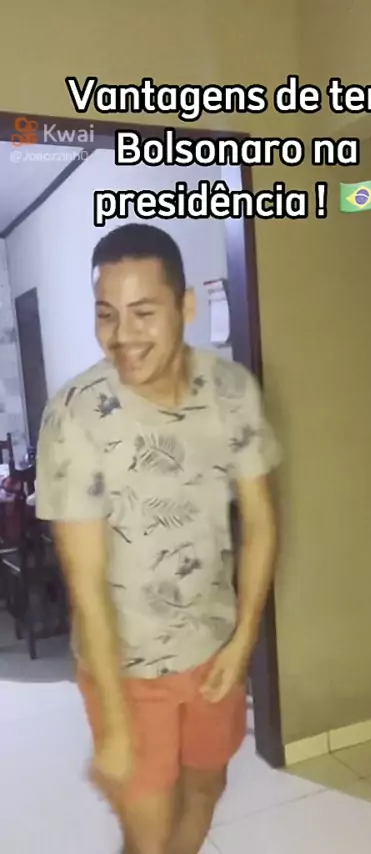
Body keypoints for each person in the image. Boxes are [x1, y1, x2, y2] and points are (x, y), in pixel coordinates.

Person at [35, 223, 280, 854]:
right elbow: (85, 583)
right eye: (106, 314)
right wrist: (116, 721)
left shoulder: (231, 391)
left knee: (205, 790)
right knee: (147, 835)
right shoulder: (75, 414)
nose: (123, 335)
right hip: (127, 670)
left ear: (185, 306)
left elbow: (259, 520)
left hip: (214, 652)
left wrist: (243, 641)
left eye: (143, 312)